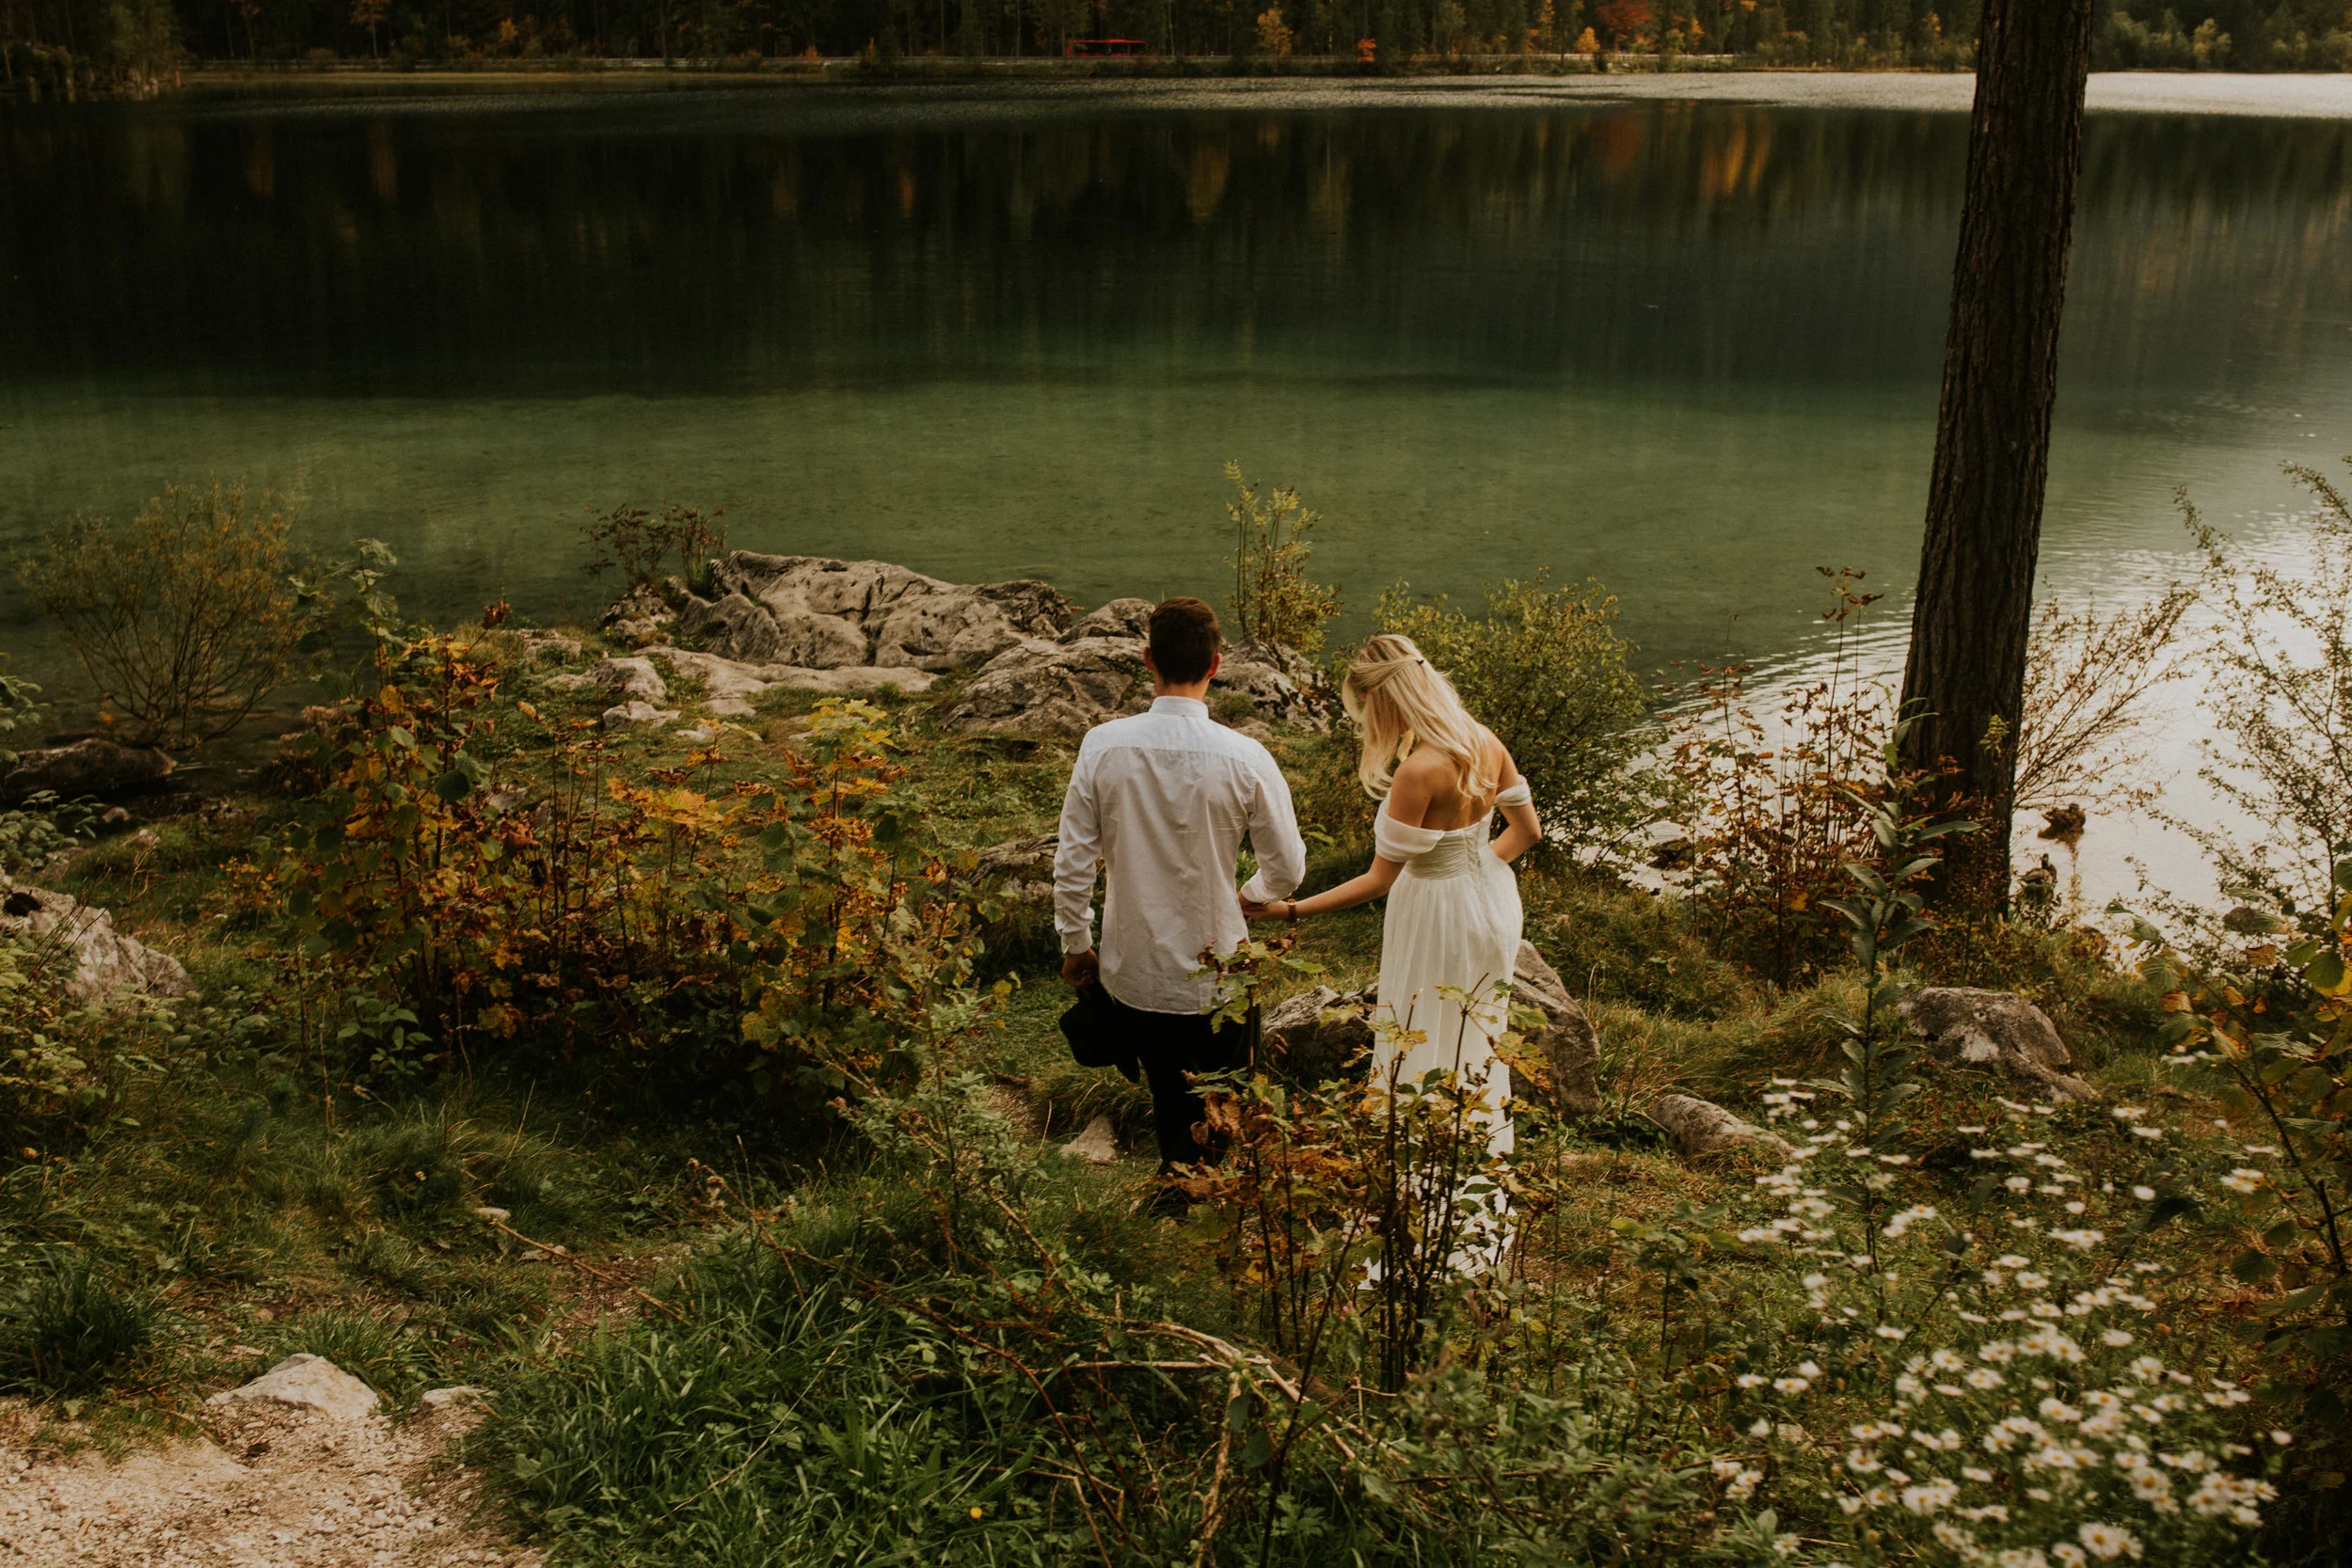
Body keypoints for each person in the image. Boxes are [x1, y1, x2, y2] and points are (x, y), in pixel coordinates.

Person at [1243, 633, 1541, 1268]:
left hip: (1436, 912)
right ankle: (1475, 1189)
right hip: (1492, 903)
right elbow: (1527, 831)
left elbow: (1380, 878)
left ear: (1386, 698)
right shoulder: (1482, 740)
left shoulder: (1419, 769)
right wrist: (1476, 871)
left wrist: (1289, 909)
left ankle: (1422, 1196)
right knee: (1475, 1036)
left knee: (1420, 1036)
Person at [1053, 596, 1308, 1214]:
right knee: (1227, 1094)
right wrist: (1248, 896)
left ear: (1148, 660)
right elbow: (1289, 869)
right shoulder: (1247, 757)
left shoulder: (1103, 746)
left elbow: (1073, 861)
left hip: (1134, 970)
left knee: (1170, 1091)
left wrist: (1075, 944)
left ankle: (1178, 1195)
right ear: (1216, 665)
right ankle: (1210, 1199)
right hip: (1221, 964)